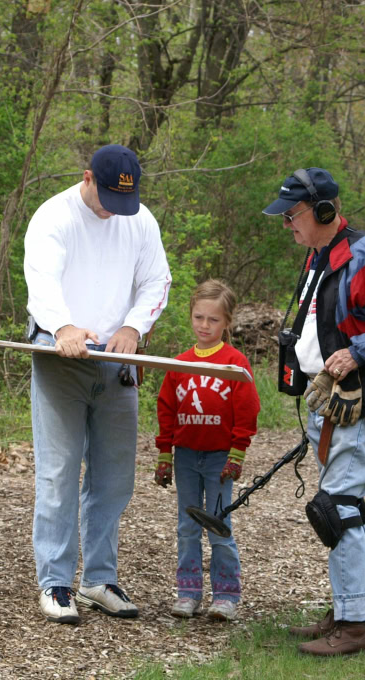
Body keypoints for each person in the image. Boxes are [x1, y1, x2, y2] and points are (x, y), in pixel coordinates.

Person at [263, 168, 365, 656]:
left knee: (340, 509)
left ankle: (356, 625)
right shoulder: (322, 255)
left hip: (358, 406)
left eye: (291, 216)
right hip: (328, 403)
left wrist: (359, 352)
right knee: (334, 509)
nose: (286, 225)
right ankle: (344, 611)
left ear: (322, 212)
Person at [23, 144, 171, 624]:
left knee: (113, 477)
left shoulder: (139, 219)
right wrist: (62, 326)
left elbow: (156, 281)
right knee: (59, 472)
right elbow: (41, 279)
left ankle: (99, 579)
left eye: (123, 200)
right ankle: (56, 582)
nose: (114, 209)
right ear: (87, 178)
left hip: (117, 361)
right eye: (107, 196)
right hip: (60, 355)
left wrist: (133, 326)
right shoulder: (54, 216)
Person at [153, 279, 261, 622]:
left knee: (217, 524)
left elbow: (247, 411)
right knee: (187, 526)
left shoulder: (234, 362)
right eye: (199, 317)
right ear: (191, 317)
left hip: (219, 458)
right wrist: (164, 455)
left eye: (213, 320)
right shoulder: (181, 364)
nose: (204, 325)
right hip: (185, 455)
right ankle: (188, 592)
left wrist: (237, 454)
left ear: (227, 322)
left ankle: (226, 595)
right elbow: (166, 409)